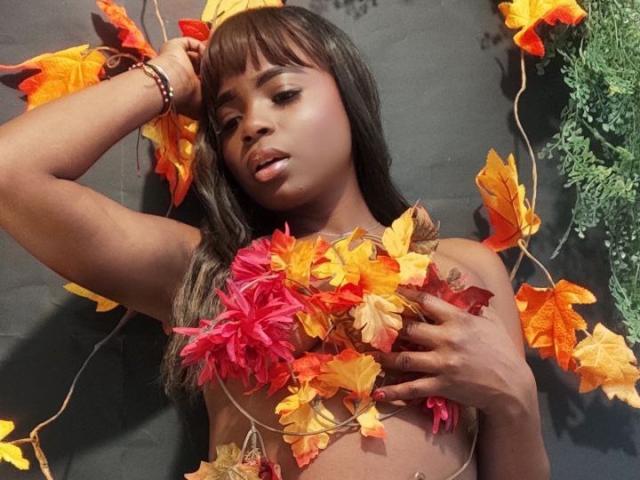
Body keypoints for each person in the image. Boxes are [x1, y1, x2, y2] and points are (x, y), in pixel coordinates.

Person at [0, 5, 550, 479]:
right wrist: (166, 78)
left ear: (349, 97)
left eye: (283, 94)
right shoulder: (212, 275)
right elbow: (11, 172)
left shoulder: (466, 269)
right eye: (227, 121)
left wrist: (515, 396)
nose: (253, 126)